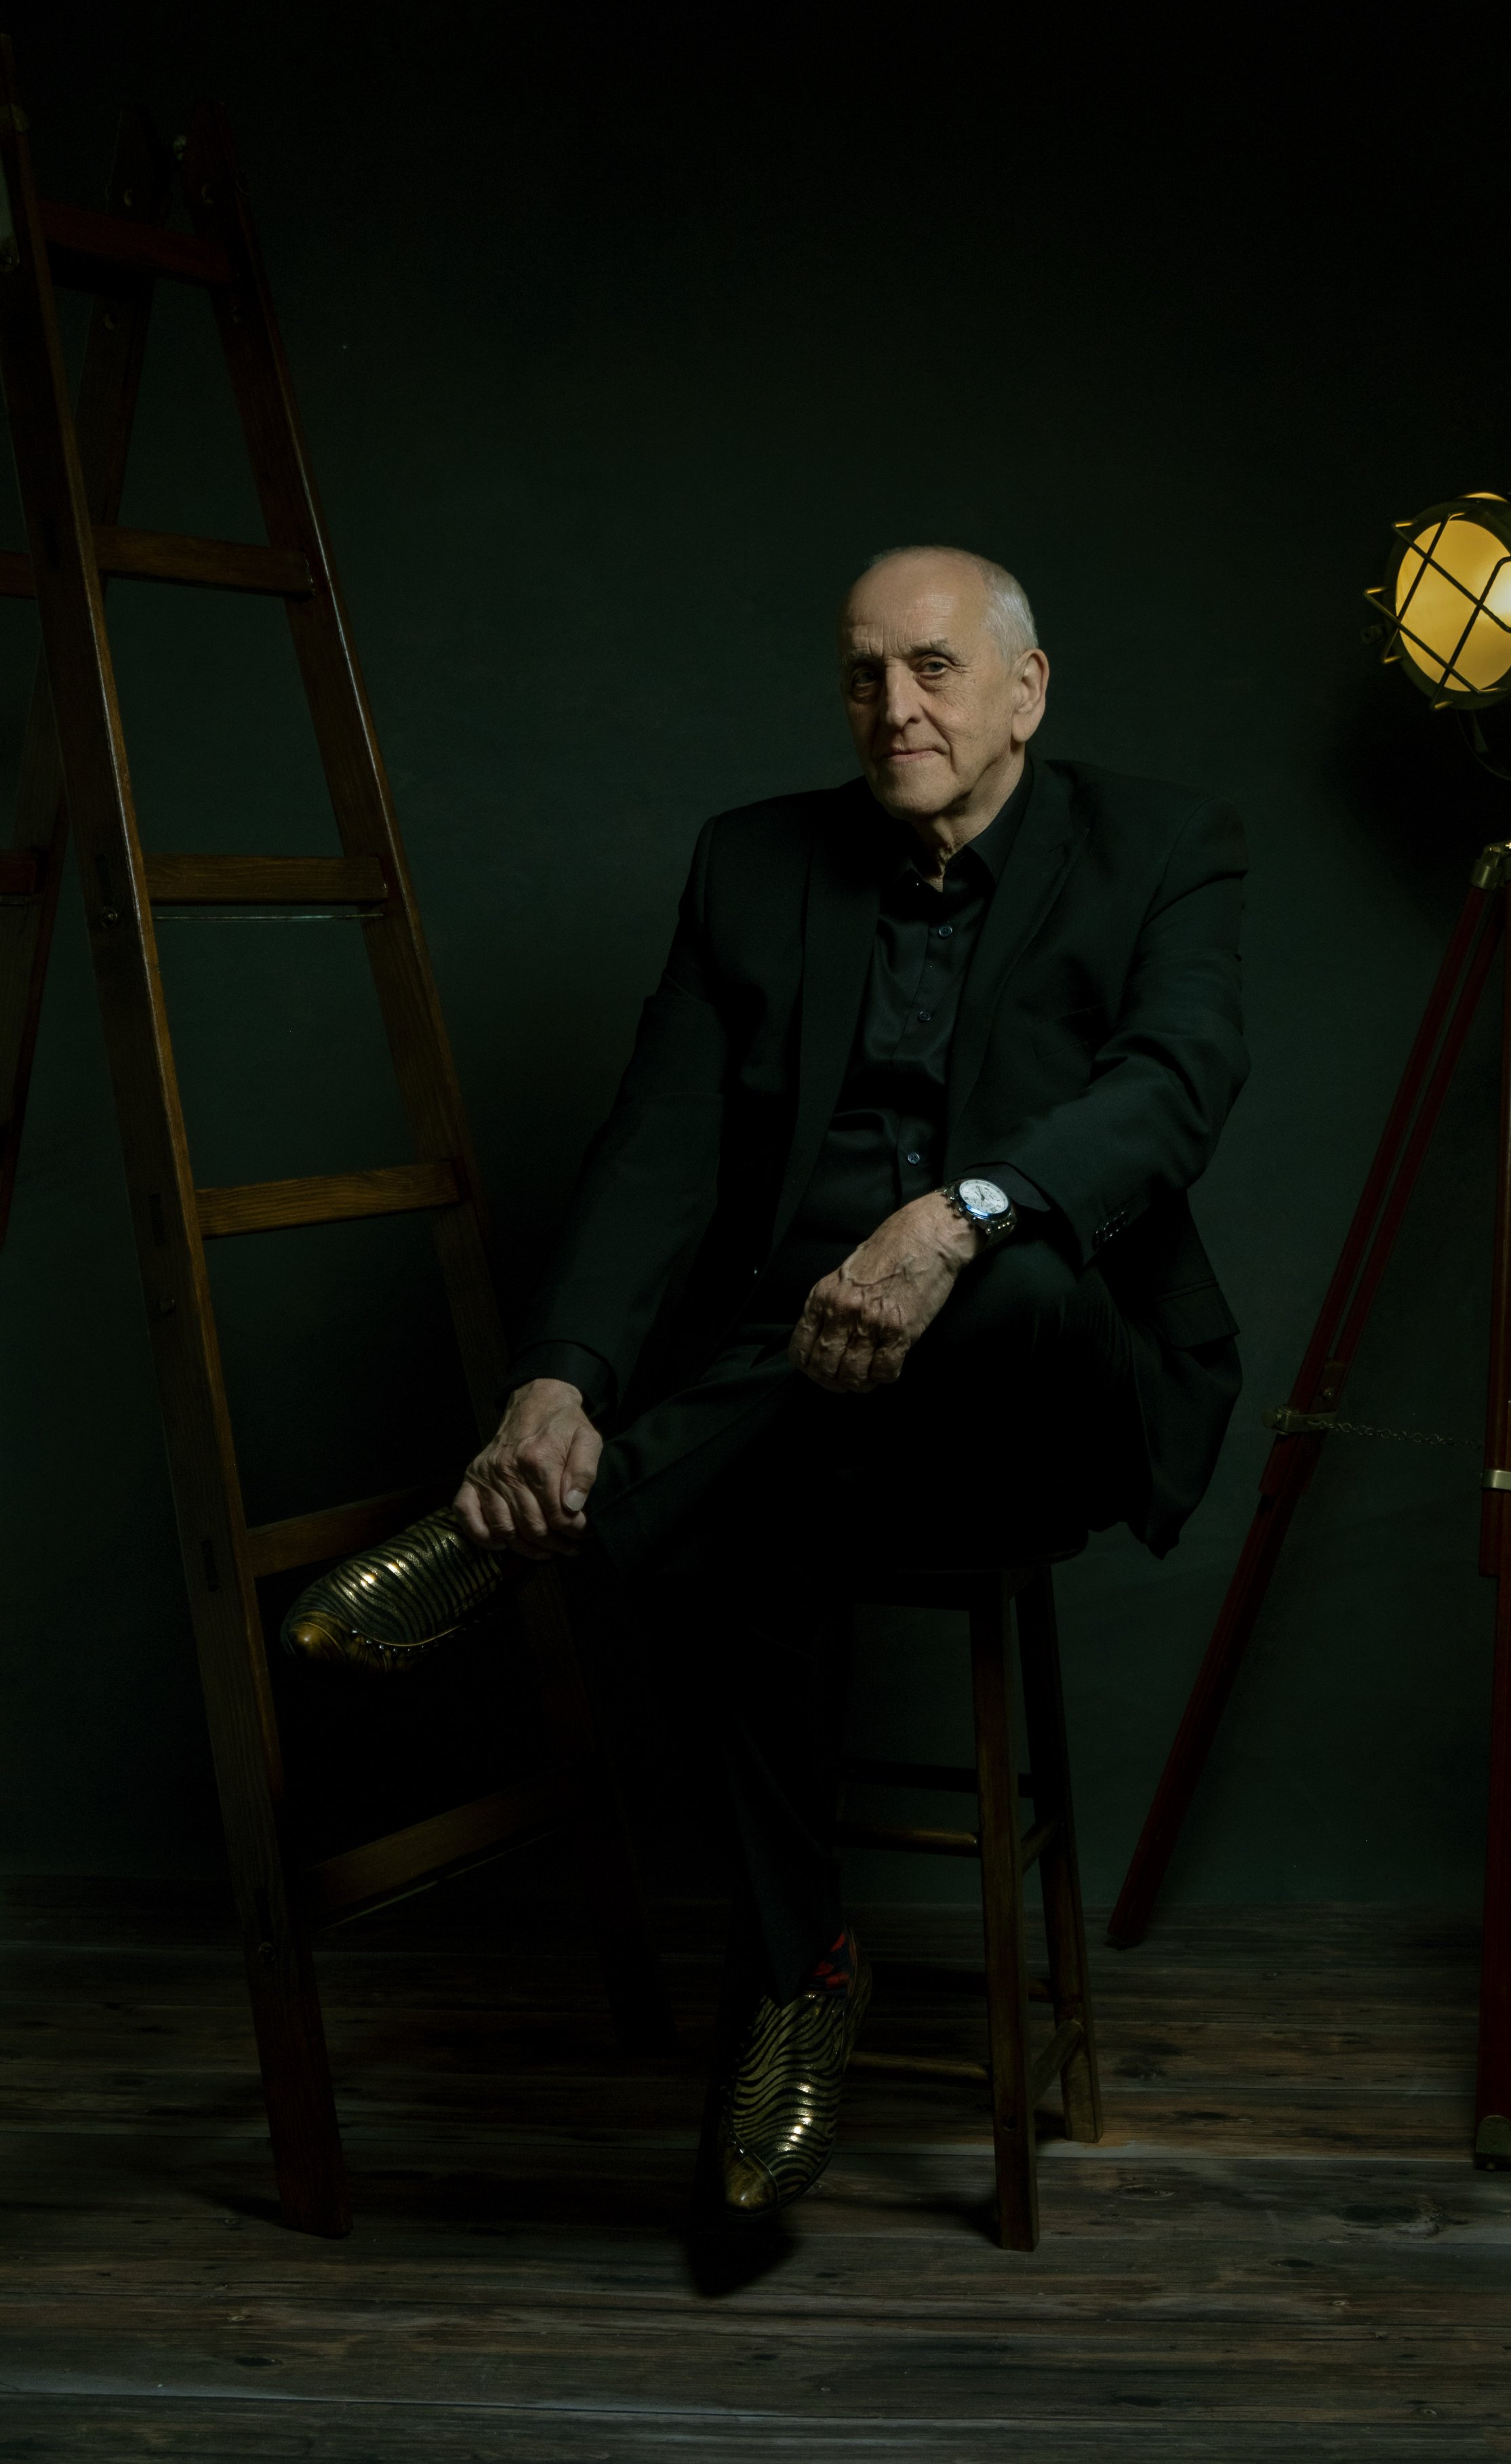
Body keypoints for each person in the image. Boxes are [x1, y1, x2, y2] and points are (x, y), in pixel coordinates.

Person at [451, 545, 1248, 2218]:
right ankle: (799, 1977)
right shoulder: (752, 866)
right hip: (801, 1404)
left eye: (936, 670)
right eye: (863, 674)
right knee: (742, 1519)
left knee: (1014, 1271)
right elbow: (658, 1148)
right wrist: (556, 1376)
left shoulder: (1161, 846)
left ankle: (597, 1496)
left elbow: (1171, 1087)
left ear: (1023, 691)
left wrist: (952, 1220)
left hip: (1039, 1401)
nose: (896, 707)